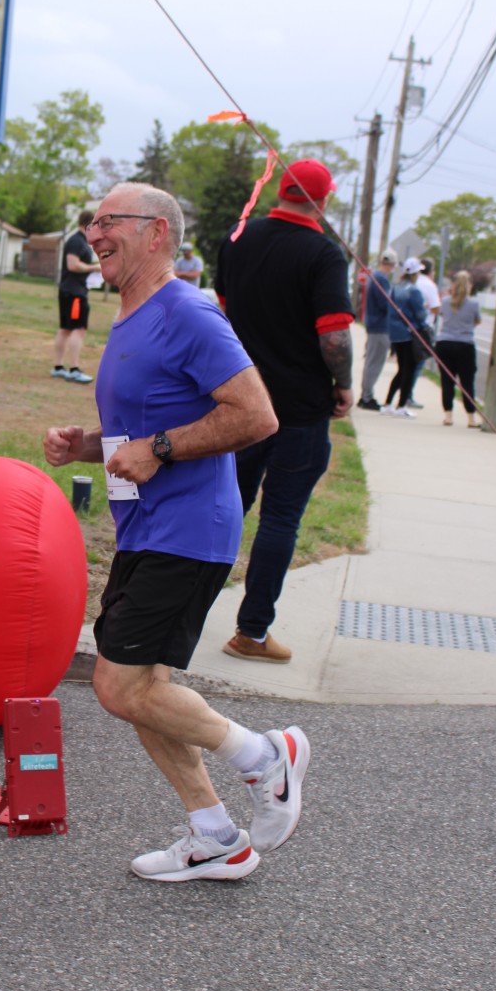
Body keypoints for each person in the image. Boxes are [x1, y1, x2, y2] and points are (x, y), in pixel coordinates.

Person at [44, 183, 309, 885]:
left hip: (189, 531)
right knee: (145, 689)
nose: (93, 234)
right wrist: (86, 445)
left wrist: (159, 451)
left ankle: (266, 757)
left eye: (108, 221)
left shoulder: (187, 311)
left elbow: (256, 415)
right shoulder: (132, 314)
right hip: (145, 528)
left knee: (119, 686)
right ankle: (215, 836)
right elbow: (146, 425)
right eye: (91, 222)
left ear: (156, 231)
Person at [215, 158, 354, 664]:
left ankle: (181, 613)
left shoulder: (238, 238)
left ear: (281, 190)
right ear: (323, 199)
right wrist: (344, 386)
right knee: (280, 519)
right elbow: (334, 336)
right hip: (299, 409)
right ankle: (250, 633)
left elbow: (222, 310)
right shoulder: (324, 253)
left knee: (224, 509)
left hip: (240, 398)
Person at [51, 208, 97, 384]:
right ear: (89, 224)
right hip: (74, 293)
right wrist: (94, 268)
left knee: (66, 328)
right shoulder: (76, 241)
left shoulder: (80, 241)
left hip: (71, 290)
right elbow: (73, 265)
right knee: (78, 329)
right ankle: (74, 369)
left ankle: (58, 367)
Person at [381, 258, 429, 418]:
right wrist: (424, 321)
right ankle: (401, 406)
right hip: (410, 334)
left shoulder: (395, 288)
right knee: (409, 370)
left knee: (402, 370)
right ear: (416, 273)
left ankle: (388, 403)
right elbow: (420, 315)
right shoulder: (414, 291)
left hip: (396, 334)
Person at [436, 270, 482, 427]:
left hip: (445, 343)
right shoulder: (474, 304)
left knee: (447, 381)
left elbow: (442, 315)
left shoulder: (445, 302)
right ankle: (471, 417)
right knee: (467, 382)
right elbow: (477, 321)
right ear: (469, 285)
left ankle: (448, 416)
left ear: (453, 285)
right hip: (465, 344)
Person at [358, 247, 398, 410]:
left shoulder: (374, 276)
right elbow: (385, 303)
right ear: (392, 265)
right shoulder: (381, 279)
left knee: (371, 361)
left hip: (374, 325)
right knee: (375, 362)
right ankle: (366, 397)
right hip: (379, 327)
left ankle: (366, 395)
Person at [404, 255, 441, 407]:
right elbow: (436, 308)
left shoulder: (412, 283)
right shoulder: (429, 285)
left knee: (407, 364)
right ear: (431, 271)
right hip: (422, 329)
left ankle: (404, 395)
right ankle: (407, 396)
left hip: (406, 327)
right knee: (417, 364)